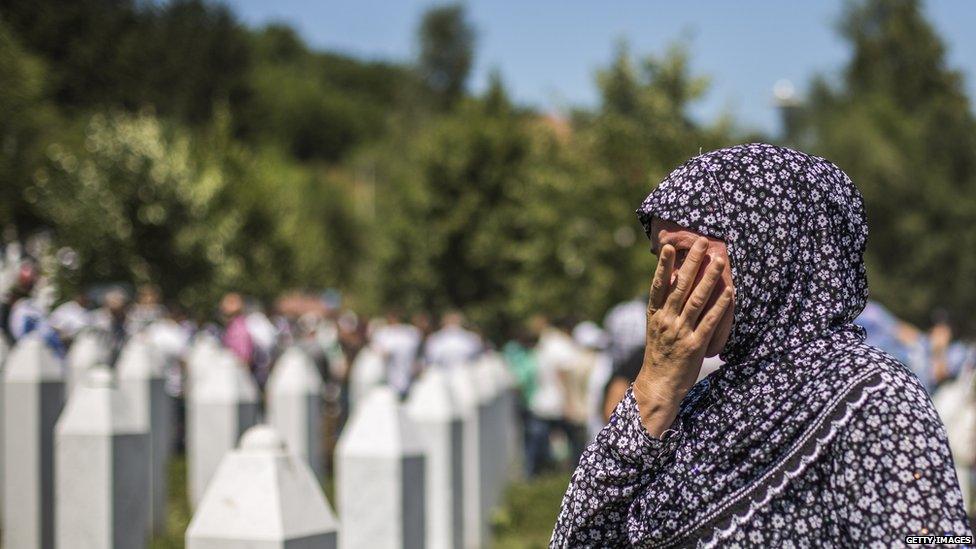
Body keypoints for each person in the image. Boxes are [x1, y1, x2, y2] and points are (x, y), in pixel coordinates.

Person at [551, 143, 971, 546]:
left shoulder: (872, 398)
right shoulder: (700, 404)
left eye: (681, 253)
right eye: (659, 258)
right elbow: (579, 538)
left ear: (764, 249)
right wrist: (653, 388)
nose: (669, 281)